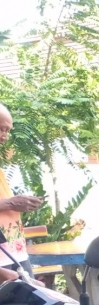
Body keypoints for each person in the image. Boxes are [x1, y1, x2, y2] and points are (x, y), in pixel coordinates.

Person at [0, 104, 44, 277]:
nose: (4, 136)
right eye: (1, 129)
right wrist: (11, 203)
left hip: (14, 251)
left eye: (8, 131)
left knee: (34, 292)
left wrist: (19, 203)